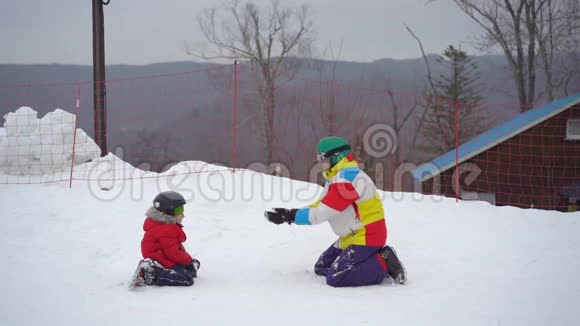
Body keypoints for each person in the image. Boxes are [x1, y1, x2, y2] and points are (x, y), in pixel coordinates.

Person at [265, 136, 407, 287]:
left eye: (323, 158)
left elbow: (322, 213)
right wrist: (290, 213)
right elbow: (319, 205)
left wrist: (290, 217)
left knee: (336, 277)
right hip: (350, 236)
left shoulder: (348, 180)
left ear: (337, 157)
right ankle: (368, 258)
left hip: (367, 235)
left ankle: (384, 261)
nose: (320, 163)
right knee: (322, 267)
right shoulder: (335, 178)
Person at [129, 191, 200, 288]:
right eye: (180, 211)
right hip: (158, 259)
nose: (183, 215)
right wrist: (187, 260)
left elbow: (176, 248)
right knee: (187, 279)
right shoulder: (166, 229)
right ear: (168, 212)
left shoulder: (166, 225)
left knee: (191, 271)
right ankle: (150, 273)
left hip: (164, 256)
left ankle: (154, 269)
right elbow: (172, 253)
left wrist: (188, 261)